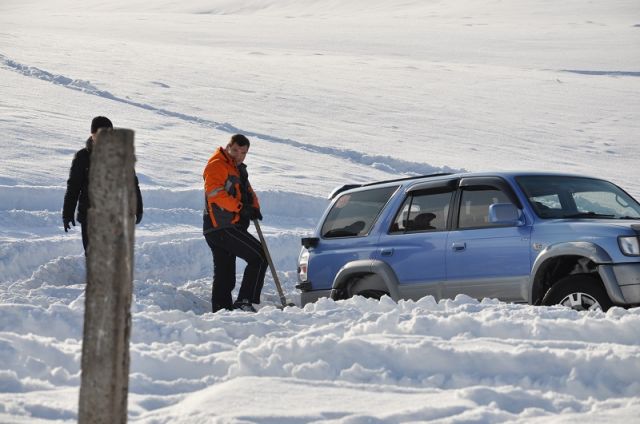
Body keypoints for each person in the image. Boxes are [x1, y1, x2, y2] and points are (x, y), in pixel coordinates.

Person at [203, 134, 267, 312]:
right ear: (228, 147)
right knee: (260, 256)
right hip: (222, 226)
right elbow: (215, 194)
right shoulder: (217, 165)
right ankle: (244, 301)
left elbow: (247, 191)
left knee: (225, 273)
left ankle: (221, 310)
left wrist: (254, 207)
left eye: (244, 152)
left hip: (225, 226)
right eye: (236, 150)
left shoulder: (237, 168)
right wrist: (240, 208)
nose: (239, 155)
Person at [62, 116, 143, 253]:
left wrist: (138, 208)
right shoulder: (82, 157)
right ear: (92, 135)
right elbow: (73, 187)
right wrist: (67, 213)